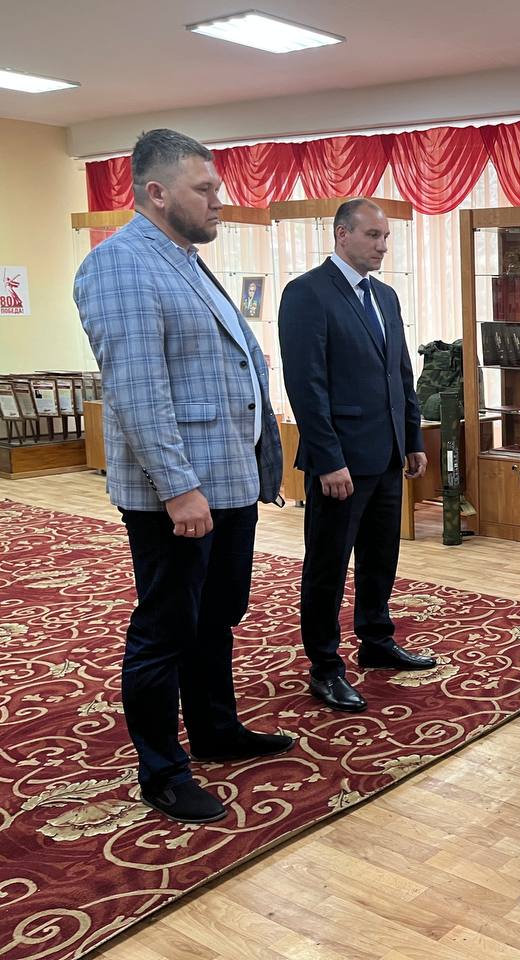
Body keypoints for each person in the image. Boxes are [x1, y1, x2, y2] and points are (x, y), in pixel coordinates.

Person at [74, 129, 290, 825]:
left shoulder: (186, 260)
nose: (219, 200)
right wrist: (177, 488)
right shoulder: (121, 265)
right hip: (179, 495)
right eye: (205, 189)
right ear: (157, 192)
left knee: (215, 618)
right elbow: (138, 393)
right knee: (165, 630)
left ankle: (216, 730)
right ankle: (162, 772)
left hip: (225, 482)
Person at [279, 198, 436, 715]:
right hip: (340, 463)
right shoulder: (307, 294)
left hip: (387, 454)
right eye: (373, 235)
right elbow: (306, 385)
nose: (382, 246)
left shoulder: (385, 296)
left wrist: (412, 439)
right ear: (342, 234)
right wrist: (328, 460)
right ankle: (325, 666)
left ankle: (376, 639)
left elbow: (401, 374)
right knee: (327, 567)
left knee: (380, 557)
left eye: (385, 237)